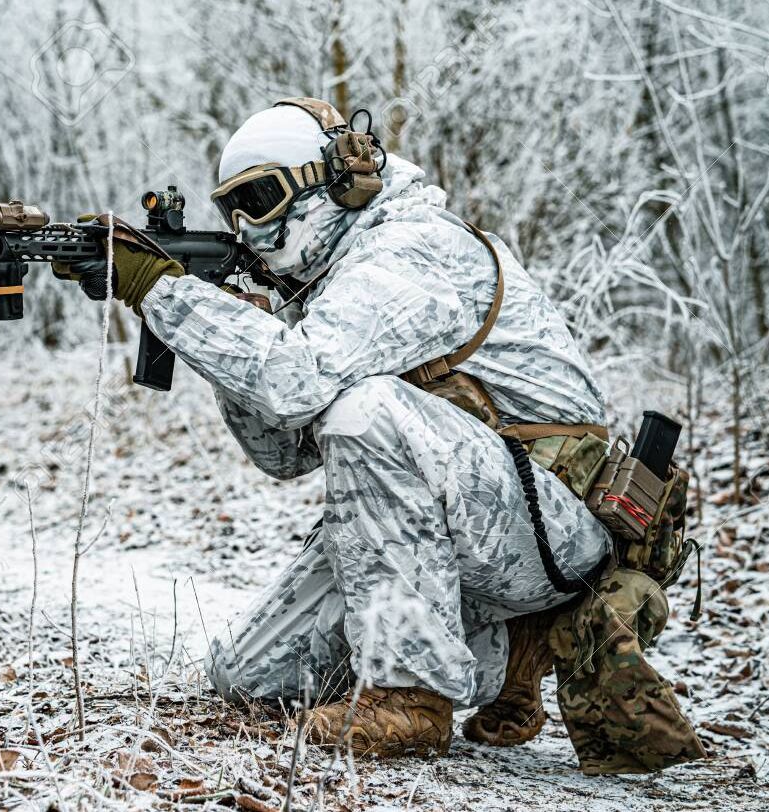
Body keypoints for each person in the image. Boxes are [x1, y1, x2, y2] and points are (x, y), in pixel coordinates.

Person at [52, 98, 665, 760]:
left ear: (336, 180)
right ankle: (511, 650)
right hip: (468, 524)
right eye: (232, 208)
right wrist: (228, 323)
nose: (247, 227)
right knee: (250, 678)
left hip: (552, 525)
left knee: (364, 409)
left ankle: (410, 696)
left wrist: (164, 293)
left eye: (261, 197)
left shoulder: (413, 248)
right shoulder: (338, 277)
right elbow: (283, 452)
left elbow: (296, 383)